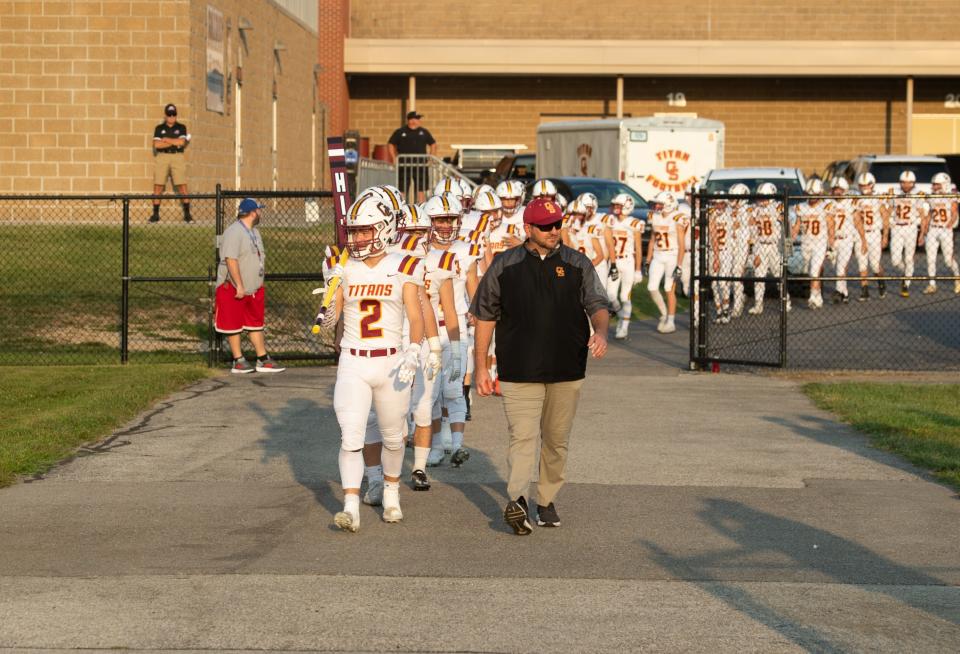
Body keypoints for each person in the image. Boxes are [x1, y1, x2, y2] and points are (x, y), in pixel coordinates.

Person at [470, 197, 610, 535]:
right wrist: (480, 367)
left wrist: (602, 331)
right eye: (545, 226)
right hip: (519, 368)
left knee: (556, 440)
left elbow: (597, 303)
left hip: (567, 367)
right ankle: (518, 501)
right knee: (523, 436)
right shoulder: (505, 265)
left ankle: (546, 500)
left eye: (557, 224)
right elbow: (485, 317)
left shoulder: (578, 263)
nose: (553, 230)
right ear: (527, 228)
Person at [319, 193, 428, 532]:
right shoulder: (342, 263)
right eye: (353, 232)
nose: (357, 238)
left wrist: (414, 348)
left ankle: (392, 492)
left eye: (365, 231)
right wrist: (326, 305)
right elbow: (331, 317)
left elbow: (416, 313)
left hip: (392, 361)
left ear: (383, 228)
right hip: (353, 359)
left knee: (394, 437)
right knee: (351, 435)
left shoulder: (404, 263)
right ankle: (351, 505)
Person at [214, 199, 285, 373]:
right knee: (233, 323)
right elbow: (231, 259)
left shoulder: (255, 232)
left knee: (255, 323)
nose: (261, 213)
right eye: (259, 210)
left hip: (253, 288)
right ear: (253, 212)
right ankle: (238, 360)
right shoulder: (234, 232)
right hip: (233, 286)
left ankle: (262, 359)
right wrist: (239, 285)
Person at [644, 192, 686, 334]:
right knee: (651, 287)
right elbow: (652, 239)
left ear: (668, 205)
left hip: (672, 254)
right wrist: (648, 259)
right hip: (658, 254)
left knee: (669, 288)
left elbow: (681, 244)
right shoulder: (654, 217)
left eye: (660, 204)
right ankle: (664, 313)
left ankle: (671, 321)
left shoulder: (677, 218)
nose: (656, 206)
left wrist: (679, 265)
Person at [150, 103, 192, 223]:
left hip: (177, 157)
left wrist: (166, 139)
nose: (171, 117)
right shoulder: (159, 128)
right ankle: (155, 215)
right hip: (162, 157)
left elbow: (182, 143)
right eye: (169, 115)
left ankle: (187, 214)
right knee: (158, 186)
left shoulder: (181, 127)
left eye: (174, 114)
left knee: (182, 186)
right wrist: (175, 142)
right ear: (165, 115)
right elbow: (157, 145)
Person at [852, 172, 891, 299]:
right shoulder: (856, 199)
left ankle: (881, 282)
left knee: (875, 265)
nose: (863, 188)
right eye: (861, 185)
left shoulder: (878, 198)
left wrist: (885, 235)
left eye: (866, 185)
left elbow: (885, 217)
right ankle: (865, 290)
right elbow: (855, 218)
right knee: (862, 264)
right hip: (860, 234)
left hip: (874, 233)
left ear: (871, 185)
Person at [921, 172, 960, 294]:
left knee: (948, 260)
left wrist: (949, 224)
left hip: (945, 229)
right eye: (934, 185)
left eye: (937, 185)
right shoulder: (931, 197)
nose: (934, 187)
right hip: (933, 228)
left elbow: (954, 213)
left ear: (945, 185)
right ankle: (932, 284)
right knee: (930, 258)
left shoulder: (951, 196)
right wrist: (923, 232)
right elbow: (928, 215)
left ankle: (957, 278)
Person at [891, 170, 928, 298]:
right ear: (900, 183)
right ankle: (906, 273)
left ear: (913, 183)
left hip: (911, 228)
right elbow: (888, 209)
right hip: (896, 227)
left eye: (909, 183)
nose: (906, 185)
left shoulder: (917, 194)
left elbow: (923, 215)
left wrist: (922, 234)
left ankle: (906, 284)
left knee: (909, 258)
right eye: (903, 183)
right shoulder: (895, 192)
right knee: (895, 260)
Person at [389, 111, 437, 202]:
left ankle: (421, 209)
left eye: (418, 119)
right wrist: (394, 158)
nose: (417, 121)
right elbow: (391, 144)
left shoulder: (424, 132)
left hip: (420, 165)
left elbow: (433, 144)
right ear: (410, 120)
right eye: (416, 119)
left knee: (420, 190)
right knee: (402, 189)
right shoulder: (400, 132)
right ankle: (401, 208)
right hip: (404, 165)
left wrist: (431, 158)